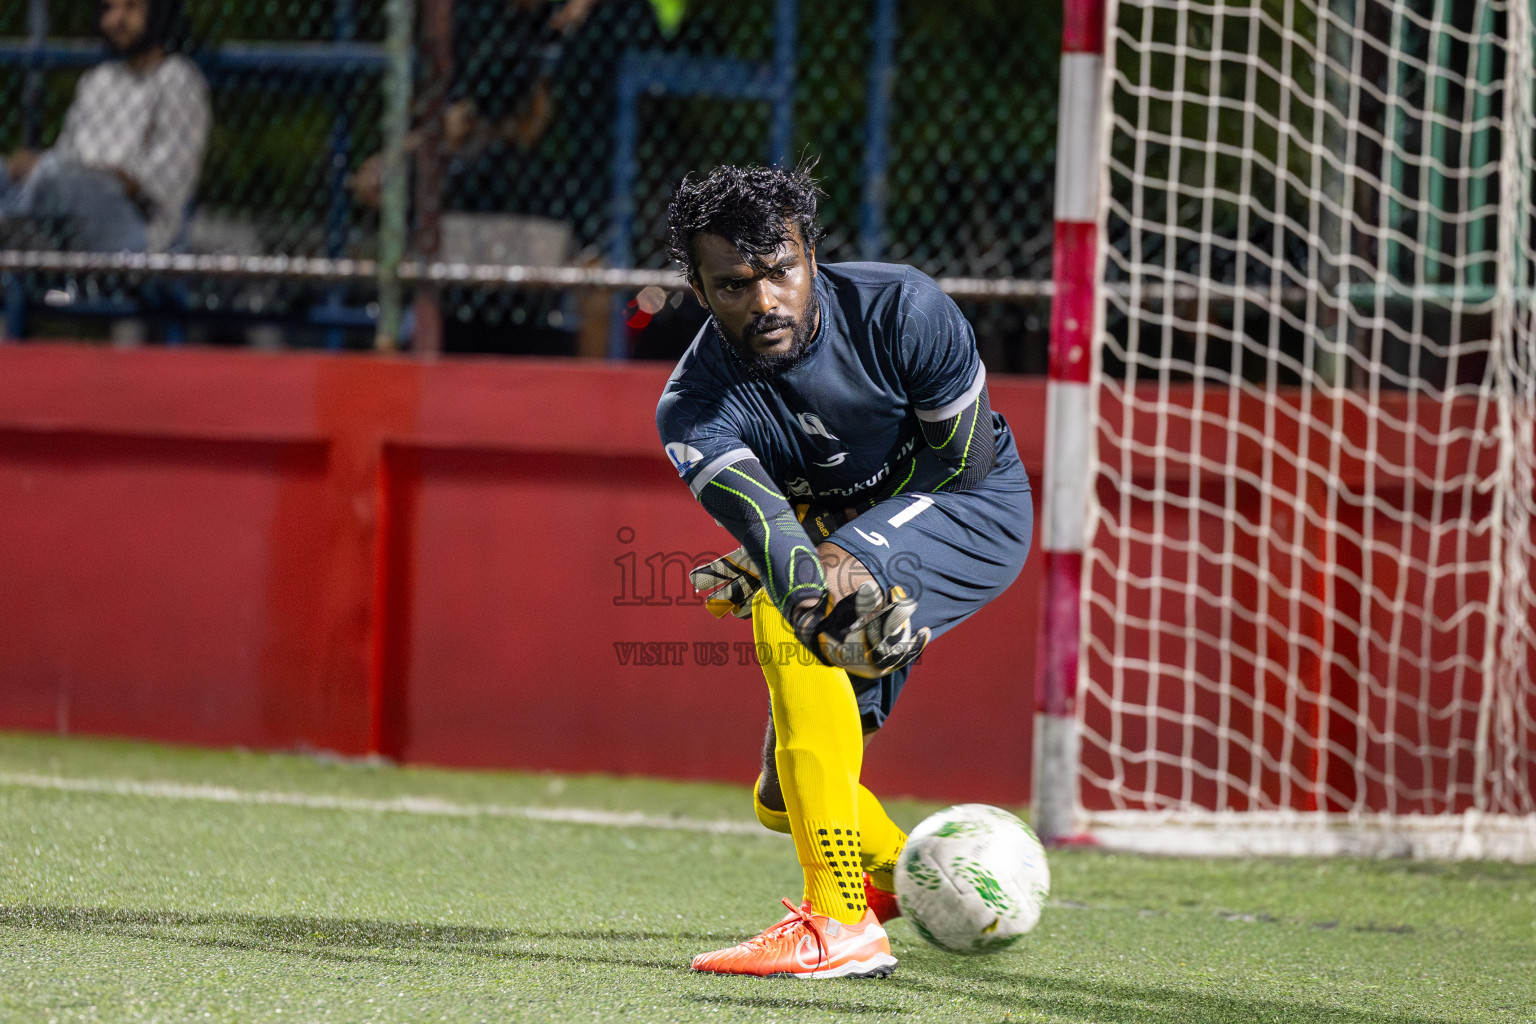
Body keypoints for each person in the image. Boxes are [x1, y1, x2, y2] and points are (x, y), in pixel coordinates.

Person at [656, 164, 1033, 979]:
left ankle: (836, 921)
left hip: (975, 509)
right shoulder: (693, 407)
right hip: (844, 538)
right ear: (696, 286)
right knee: (781, 800)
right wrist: (798, 562)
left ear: (812, 255)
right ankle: (916, 878)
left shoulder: (905, 309)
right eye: (732, 285)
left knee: (788, 603)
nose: (765, 303)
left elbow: (961, 466)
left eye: (780, 272)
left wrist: (830, 556)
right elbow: (768, 526)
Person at [0, 0, 209, 254]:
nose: (115, 20)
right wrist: (32, 165)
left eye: (131, 8)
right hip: (70, 206)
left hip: (138, 227)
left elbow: (160, 186)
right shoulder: (98, 79)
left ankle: (11, 224)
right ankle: (13, 225)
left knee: (52, 178)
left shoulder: (178, 79)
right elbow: (65, 156)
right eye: (109, 8)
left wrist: (95, 176)